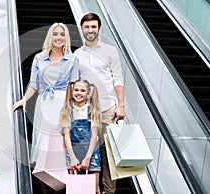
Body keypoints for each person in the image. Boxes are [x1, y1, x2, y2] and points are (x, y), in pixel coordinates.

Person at [13, 22, 79, 193]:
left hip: (62, 105)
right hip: (44, 105)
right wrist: (24, 99)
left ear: (66, 38)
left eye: (62, 34)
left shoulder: (72, 59)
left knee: (59, 150)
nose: (59, 37)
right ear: (50, 36)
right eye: (55, 34)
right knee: (43, 152)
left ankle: (60, 188)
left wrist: (71, 109)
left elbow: (73, 86)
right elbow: (34, 84)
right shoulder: (39, 58)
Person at [74, 13, 125, 194]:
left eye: (93, 27)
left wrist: (121, 106)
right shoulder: (77, 54)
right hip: (84, 110)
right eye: (87, 27)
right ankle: (87, 190)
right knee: (84, 151)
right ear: (82, 29)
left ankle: (109, 191)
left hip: (107, 108)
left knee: (107, 153)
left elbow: (118, 79)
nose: (90, 30)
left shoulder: (110, 51)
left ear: (99, 28)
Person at [60, 79, 102, 194]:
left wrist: (88, 158)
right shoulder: (66, 111)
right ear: (72, 92)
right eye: (76, 90)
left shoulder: (93, 111)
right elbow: (67, 136)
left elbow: (94, 136)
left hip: (91, 153)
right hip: (73, 152)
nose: (79, 93)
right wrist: (73, 158)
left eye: (82, 91)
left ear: (88, 94)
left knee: (94, 189)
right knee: (76, 188)